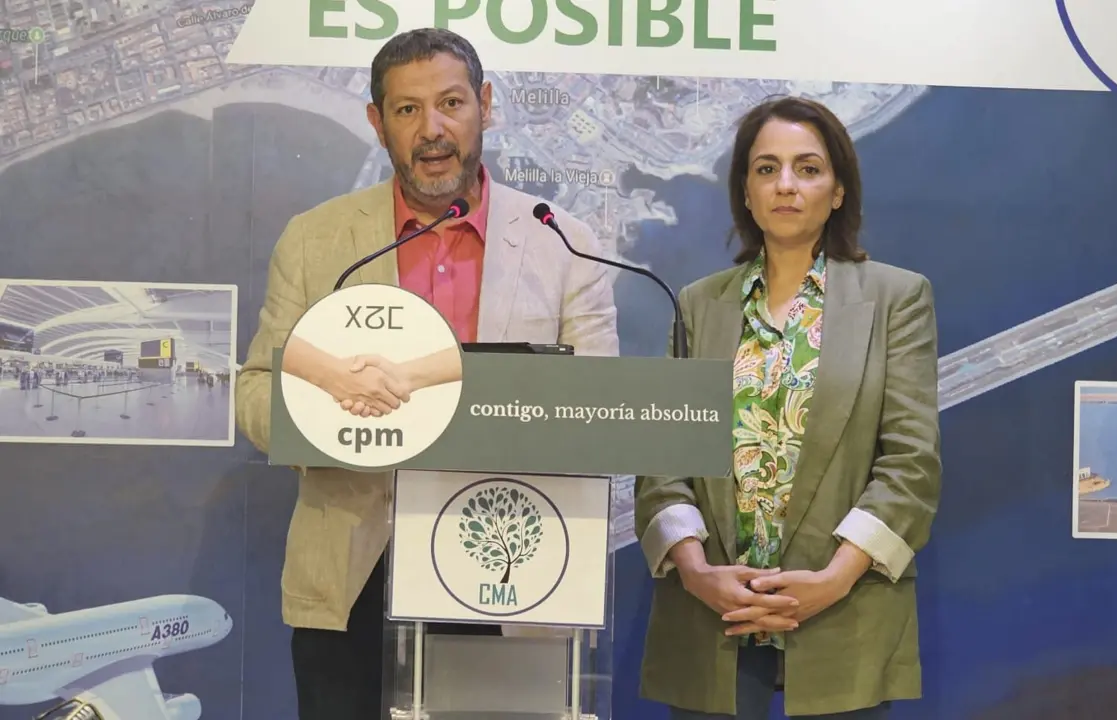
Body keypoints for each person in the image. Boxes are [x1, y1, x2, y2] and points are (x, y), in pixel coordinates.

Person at [234, 27, 618, 720]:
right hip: (353, 575)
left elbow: (596, 410)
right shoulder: (317, 240)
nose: (432, 129)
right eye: (407, 110)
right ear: (377, 122)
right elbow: (258, 390)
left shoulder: (563, 243)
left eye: (451, 103)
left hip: (509, 568)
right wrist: (335, 409)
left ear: (486, 106)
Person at [634, 96, 942, 719]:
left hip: (843, 611)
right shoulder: (697, 305)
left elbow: (910, 465)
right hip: (713, 616)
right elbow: (664, 461)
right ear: (745, 192)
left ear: (838, 190)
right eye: (767, 168)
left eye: (808, 168)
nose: (786, 185)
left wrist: (833, 579)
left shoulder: (897, 298)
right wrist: (697, 573)